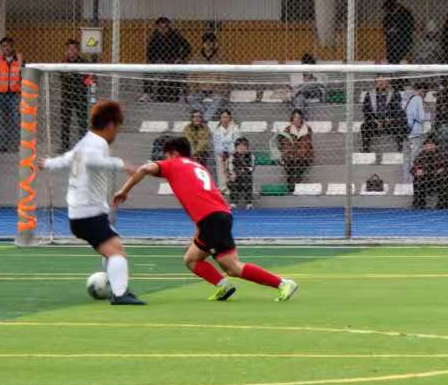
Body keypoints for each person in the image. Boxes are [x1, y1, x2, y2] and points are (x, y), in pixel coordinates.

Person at [113, 138, 297, 301]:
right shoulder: (198, 167)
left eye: (166, 155)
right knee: (192, 259)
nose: (164, 159)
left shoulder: (174, 163)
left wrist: (123, 190)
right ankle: (224, 286)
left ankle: (283, 283)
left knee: (231, 267)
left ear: (174, 154)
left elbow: (144, 168)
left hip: (212, 219)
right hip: (220, 216)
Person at [42, 100, 143, 305]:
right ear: (110, 125)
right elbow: (92, 161)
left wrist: (48, 163)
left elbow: (67, 159)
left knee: (114, 247)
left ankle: (116, 286)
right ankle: (120, 294)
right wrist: (122, 164)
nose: (116, 134)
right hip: (88, 213)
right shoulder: (96, 144)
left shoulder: (85, 141)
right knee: (116, 252)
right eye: (118, 128)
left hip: (82, 213)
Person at [143, 17, 191, 100]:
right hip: (159, 61)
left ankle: (183, 93)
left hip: (173, 61)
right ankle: (147, 93)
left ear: (168, 27)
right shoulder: (154, 36)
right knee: (147, 71)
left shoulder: (175, 35)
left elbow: (188, 47)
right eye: (160, 27)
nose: (163, 30)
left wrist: (180, 58)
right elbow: (149, 52)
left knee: (180, 73)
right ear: (157, 27)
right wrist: (155, 61)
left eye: (165, 27)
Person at [59, 38, 93, 150]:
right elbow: (62, 77)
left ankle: (83, 145)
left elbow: (87, 78)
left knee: (82, 121)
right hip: (66, 96)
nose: (71, 51)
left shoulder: (84, 62)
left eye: (74, 49)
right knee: (65, 121)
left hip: (80, 96)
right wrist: (75, 76)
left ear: (78, 50)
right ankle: (64, 145)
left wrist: (74, 77)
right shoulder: (63, 63)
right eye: (69, 49)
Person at [0, 35, 23, 152]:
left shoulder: (19, 59)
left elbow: (23, 75)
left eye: (8, 46)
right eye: (4, 46)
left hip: (14, 94)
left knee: (16, 120)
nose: (6, 48)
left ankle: (18, 145)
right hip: (1, 94)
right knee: (1, 121)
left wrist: (21, 91)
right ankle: (3, 146)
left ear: (12, 46)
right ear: (1, 48)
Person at [360, 76, 405, 153]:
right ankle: (366, 149)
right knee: (364, 126)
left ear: (388, 82)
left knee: (399, 125)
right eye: (379, 81)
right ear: (375, 82)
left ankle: (400, 149)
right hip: (375, 121)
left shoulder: (395, 93)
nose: (381, 83)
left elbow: (397, 109)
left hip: (389, 121)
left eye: (384, 81)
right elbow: (366, 110)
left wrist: (389, 119)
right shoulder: (370, 94)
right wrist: (375, 120)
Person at [273, 110, 314, 193]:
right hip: (290, 156)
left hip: (304, 156)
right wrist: (291, 153)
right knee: (290, 163)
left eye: (299, 117)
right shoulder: (288, 129)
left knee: (299, 162)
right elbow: (286, 144)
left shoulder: (307, 129)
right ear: (292, 118)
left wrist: (297, 153)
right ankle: (292, 185)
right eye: (295, 117)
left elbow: (305, 145)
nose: (297, 119)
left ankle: (294, 184)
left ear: (302, 118)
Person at [411, 136, 448, 209]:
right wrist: (417, 170)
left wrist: (443, 169)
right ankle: (419, 202)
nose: (429, 147)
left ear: (435, 146)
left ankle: (442, 203)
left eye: (431, 144)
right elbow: (413, 168)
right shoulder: (421, 155)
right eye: (427, 145)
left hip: (438, 178)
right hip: (425, 178)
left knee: (444, 178)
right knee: (417, 179)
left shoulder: (442, 154)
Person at [381, 0, 415, 65]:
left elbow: (410, 26)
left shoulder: (405, 13)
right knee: (392, 54)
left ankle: (395, 61)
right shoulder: (389, 16)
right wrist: (388, 29)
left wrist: (398, 29)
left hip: (403, 37)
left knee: (399, 51)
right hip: (392, 39)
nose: (387, 11)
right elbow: (385, 26)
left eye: (387, 9)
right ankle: (393, 62)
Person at [403, 79, 430, 166]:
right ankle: (413, 170)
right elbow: (421, 117)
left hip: (408, 130)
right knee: (415, 154)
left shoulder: (410, 99)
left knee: (408, 155)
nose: (425, 94)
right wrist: (428, 116)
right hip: (415, 131)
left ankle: (408, 171)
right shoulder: (418, 99)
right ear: (422, 90)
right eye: (425, 92)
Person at [227, 136, 255, 210]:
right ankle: (233, 203)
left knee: (247, 179)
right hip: (236, 177)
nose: (241, 148)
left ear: (247, 147)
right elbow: (230, 168)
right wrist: (233, 173)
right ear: (236, 148)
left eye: (243, 146)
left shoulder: (251, 156)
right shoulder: (232, 156)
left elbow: (252, 168)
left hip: (246, 177)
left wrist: (241, 170)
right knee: (232, 180)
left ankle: (249, 204)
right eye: (239, 146)